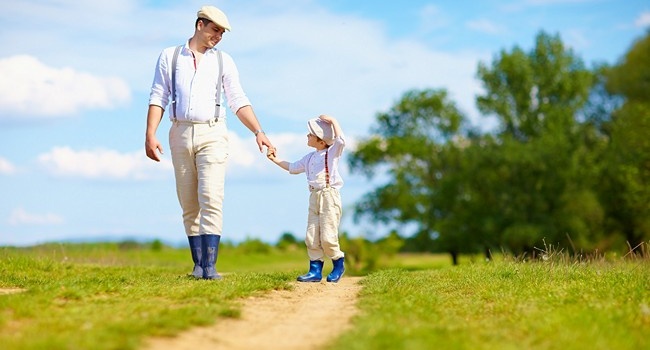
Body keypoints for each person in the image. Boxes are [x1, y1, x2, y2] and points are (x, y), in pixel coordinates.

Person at [145, 6, 273, 280]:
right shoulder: (169, 56)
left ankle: (211, 267)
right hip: (179, 132)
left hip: (213, 133)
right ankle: (198, 265)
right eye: (215, 30)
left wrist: (258, 131)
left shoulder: (223, 61)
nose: (219, 36)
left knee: (211, 197)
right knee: (189, 202)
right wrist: (150, 133)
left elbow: (237, 99)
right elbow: (158, 95)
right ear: (200, 24)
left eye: (223, 32)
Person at [267, 115, 346, 283]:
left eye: (310, 134)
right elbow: (293, 167)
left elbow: (340, 141)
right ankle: (315, 270)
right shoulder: (309, 157)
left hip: (328, 197)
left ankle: (338, 263)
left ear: (321, 141)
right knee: (311, 235)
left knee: (328, 236)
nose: (307, 136)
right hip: (314, 197)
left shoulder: (330, 154)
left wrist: (333, 121)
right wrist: (275, 159)